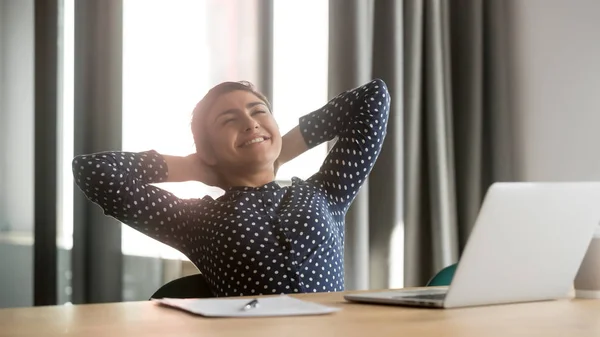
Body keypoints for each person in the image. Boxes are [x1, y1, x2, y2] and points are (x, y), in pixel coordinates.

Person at [73, 78, 390, 297]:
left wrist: (283, 148)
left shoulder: (327, 192)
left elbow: (373, 97)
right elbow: (94, 172)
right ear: (207, 150)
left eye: (258, 112)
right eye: (229, 120)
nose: (250, 123)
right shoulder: (195, 221)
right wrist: (194, 166)